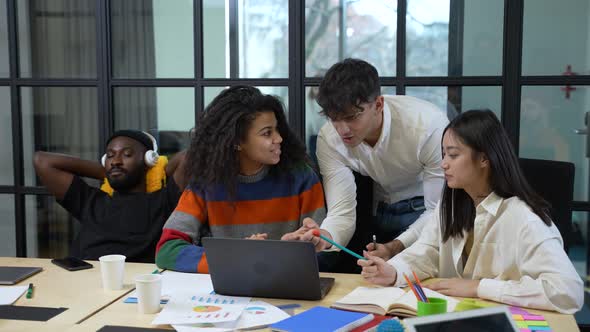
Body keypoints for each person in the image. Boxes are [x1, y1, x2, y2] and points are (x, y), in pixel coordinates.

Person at [358, 110, 583, 314]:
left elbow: (568, 292)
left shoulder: (524, 218)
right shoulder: (451, 206)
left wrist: (479, 287)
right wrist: (393, 271)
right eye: (443, 154)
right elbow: (428, 251)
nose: (443, 164)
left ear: (484, 158)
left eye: (453, 155)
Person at [284, 58, 448, 264]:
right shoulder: (330, 139)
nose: (342, 129)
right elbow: (341, 213)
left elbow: (438, 210)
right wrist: (323, 237)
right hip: (376, 209)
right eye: (333, 118)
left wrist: (396, 247)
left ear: (378, 104)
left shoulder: (427, 126)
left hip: (424, 209)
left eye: (351, 117)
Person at [155, 86, 326, 273]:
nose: (279, 138)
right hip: (225, 296)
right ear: (236, 141)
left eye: (277, 130)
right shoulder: (205, 183)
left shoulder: (301, 178)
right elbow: (167, 250)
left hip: (287, 290)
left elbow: (326, 254)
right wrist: (234, 257)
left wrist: (292, 250)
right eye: (267, 133)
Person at [33, 130, 188, 263]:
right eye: (110, 155)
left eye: (126, 154)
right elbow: (42, 161)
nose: (115, 161)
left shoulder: (163, 201)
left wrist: (156, 171)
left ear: (148, 159)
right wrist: (108, 172)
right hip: (83, 284)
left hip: (133, 289)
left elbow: (189, 157)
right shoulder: (91, 201)